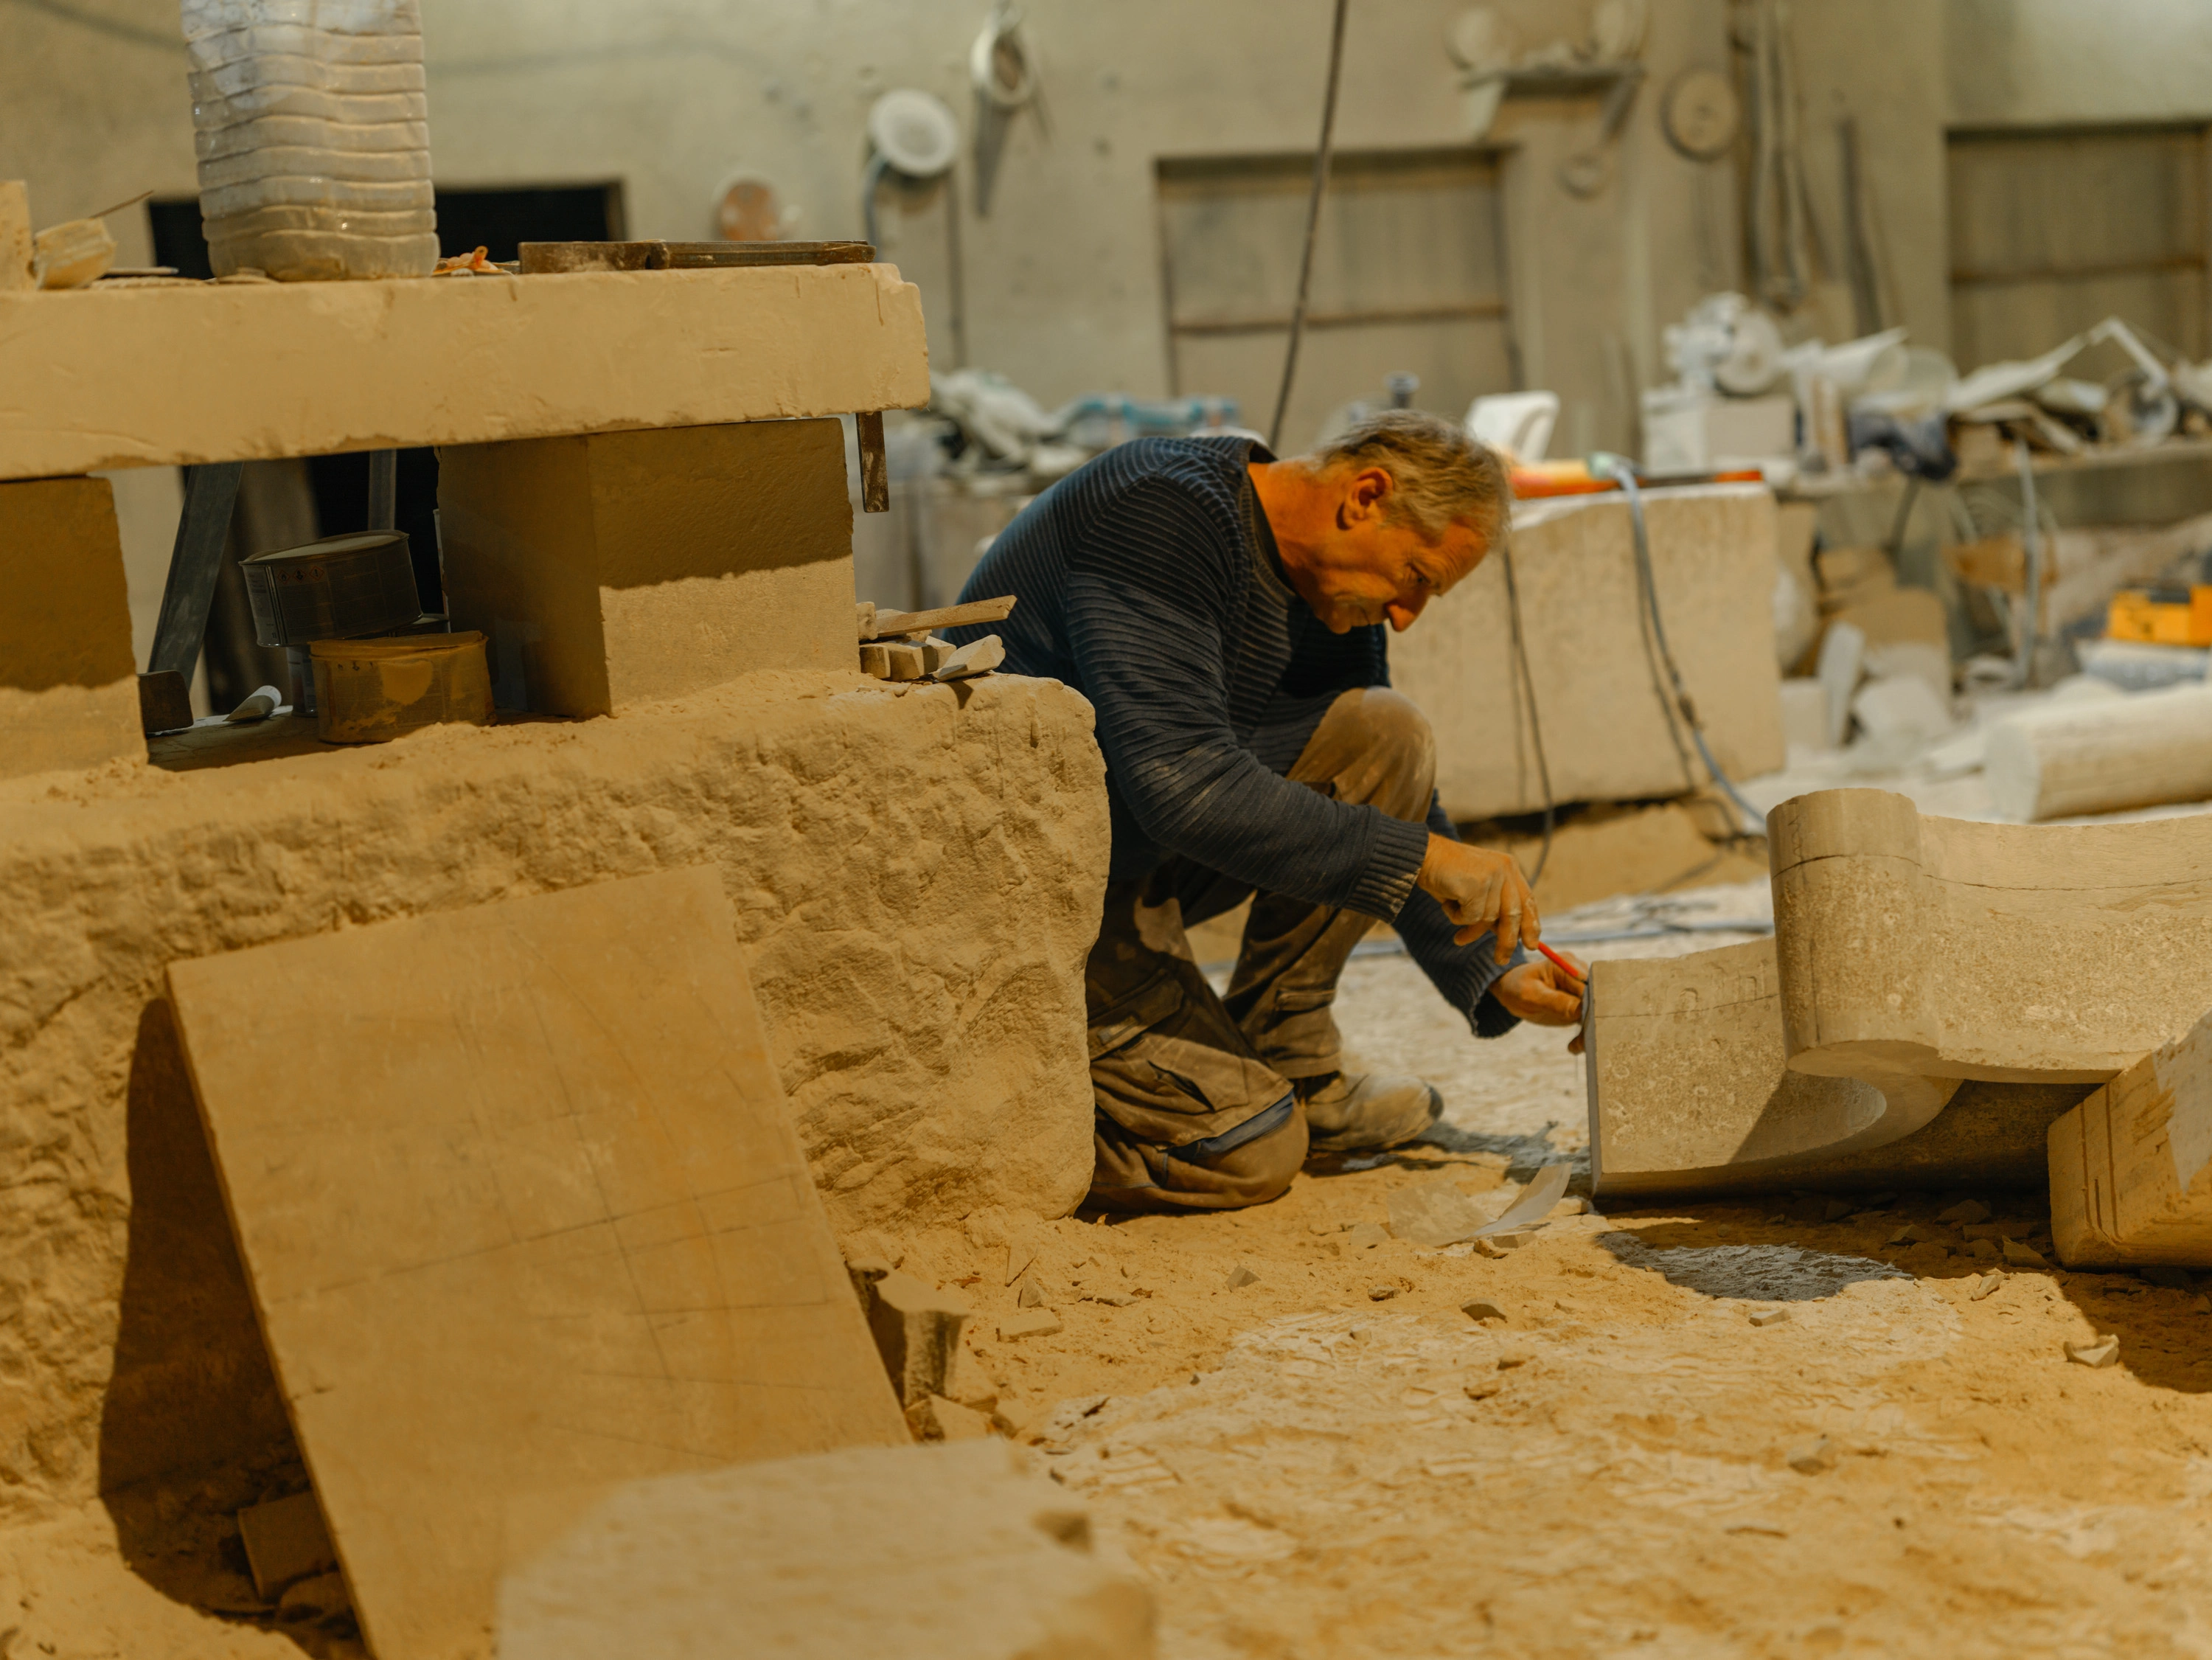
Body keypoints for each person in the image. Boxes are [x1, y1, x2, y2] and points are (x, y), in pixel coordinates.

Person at [949, 410, 1585, 1212]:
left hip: (1130, 860)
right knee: (1251, 1153)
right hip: (1034, 903)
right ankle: (1013, 1138)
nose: (1408, 612)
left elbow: (1384, 799)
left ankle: (1293, 1057)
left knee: (1385, 733)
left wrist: (1500, 971)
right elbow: (1184, 783)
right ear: (1366, 496)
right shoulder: (1161, 515)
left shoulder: (1324, 588)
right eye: (1418, 575)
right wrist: (1426, 859)